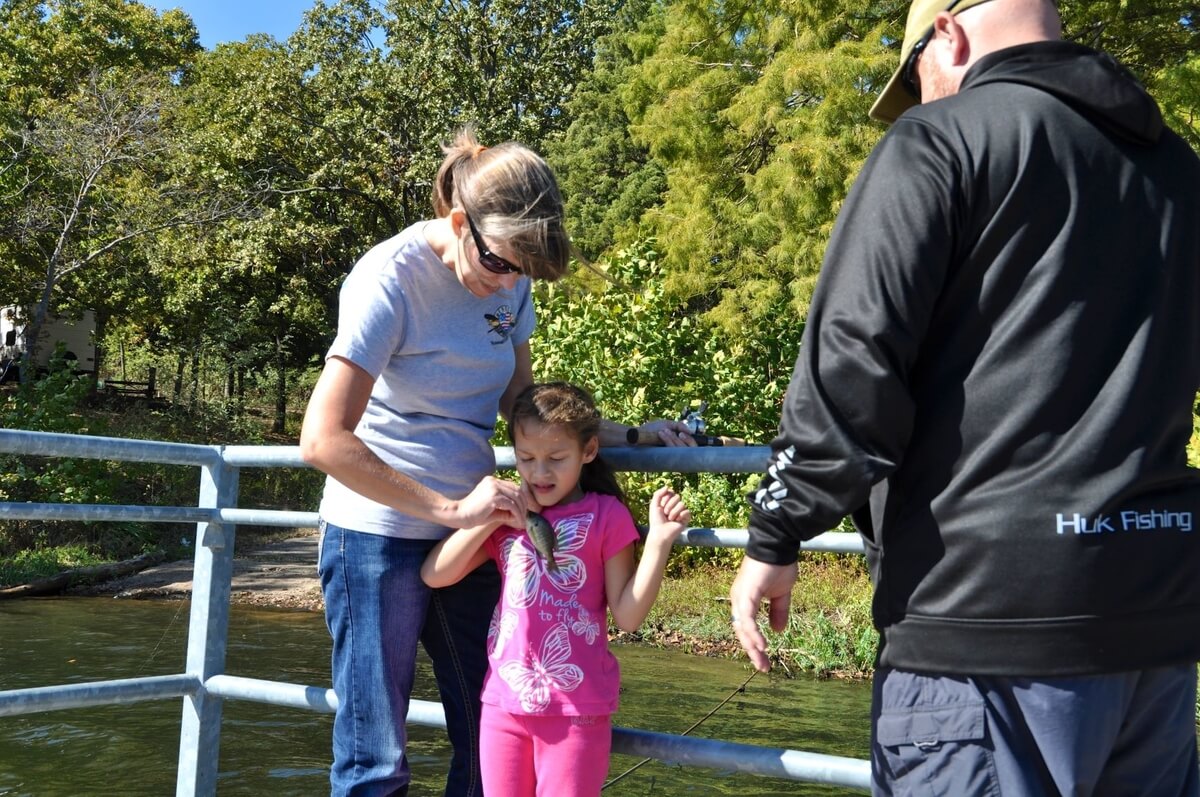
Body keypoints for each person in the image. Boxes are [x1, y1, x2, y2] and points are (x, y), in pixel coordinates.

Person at [729, 0, 1200, 794]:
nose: (923, 99)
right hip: (1155, 622)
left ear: (944, 32)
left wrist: (778, 530)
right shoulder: (1179, 171)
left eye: (917, 78)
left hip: (980, 623)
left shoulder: (940, 142)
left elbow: (851, 361)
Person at [300, 129, 695, 797]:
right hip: (377, 533)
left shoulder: (509, 280)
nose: (507, 283)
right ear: (459, 222)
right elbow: (323, 439)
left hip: (484, 533)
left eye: (523, 271)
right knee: (375, 758)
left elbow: (522, 402)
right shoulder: (388, 279)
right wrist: (451, 509)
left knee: (488, 733)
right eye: (499, 263)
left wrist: (628, 433)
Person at [421, 382, 693, 797]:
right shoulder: (507, 519)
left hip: (576, 712)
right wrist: (491, 518)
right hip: (502, 705)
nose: (539, 472)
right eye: (526, 458)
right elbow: (435, 574)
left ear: (588, 451)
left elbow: (628, 616)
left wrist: (658, 542)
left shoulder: (607, 516)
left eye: (556, 458)